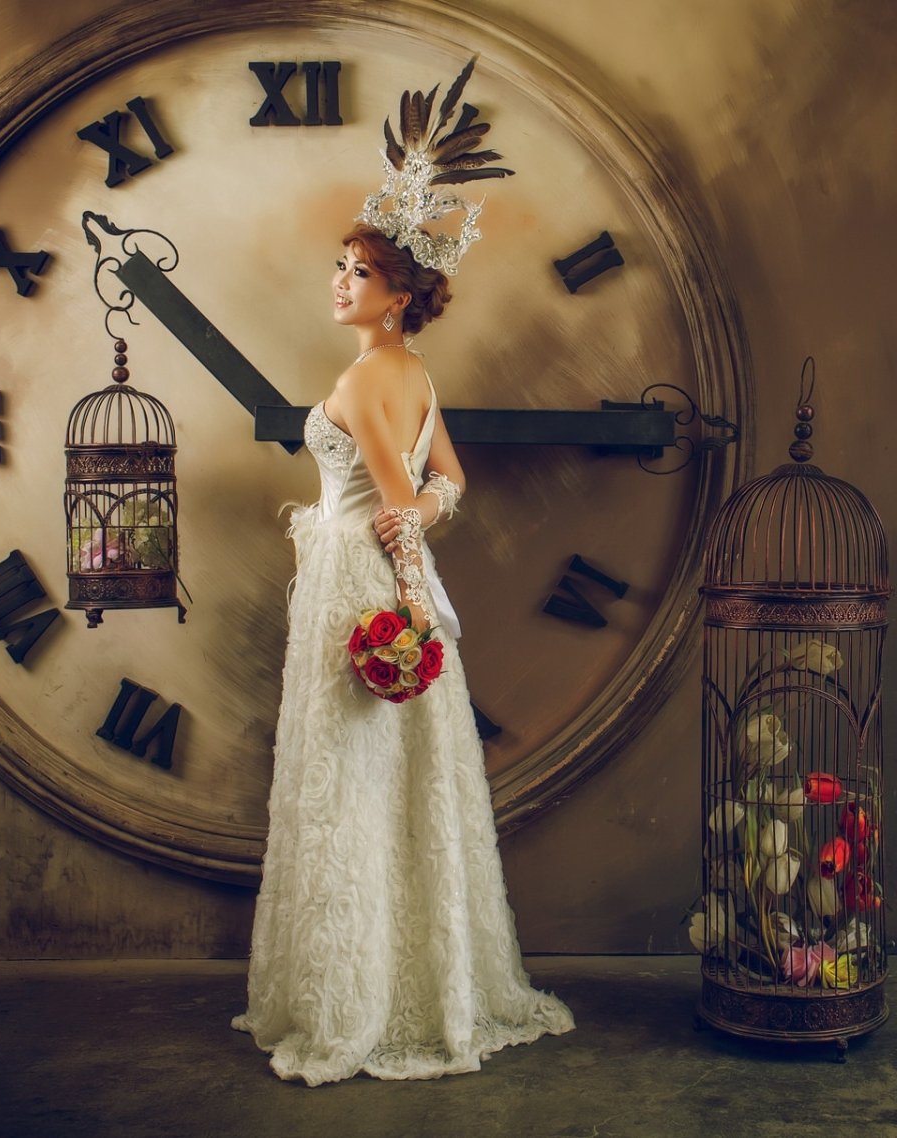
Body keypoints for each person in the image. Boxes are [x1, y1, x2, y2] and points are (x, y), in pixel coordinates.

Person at [230, 59, 575, 1085]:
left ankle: (356, 1002)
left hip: (360, 584)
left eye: (357, 273)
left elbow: (396, 510)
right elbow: (446, 484)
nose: (339, 283)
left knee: (350, 784)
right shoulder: (415, 373)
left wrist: (413, 610)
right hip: (367, 571)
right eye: (339, 267)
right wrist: (418, 538)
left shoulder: (363, 375)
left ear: (400, 293)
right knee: (385, 781)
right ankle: (417, 975)